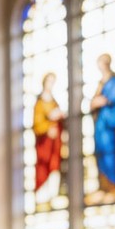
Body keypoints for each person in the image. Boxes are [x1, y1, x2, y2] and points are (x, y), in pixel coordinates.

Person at [90, 53, 115, 193]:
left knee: (109, 153)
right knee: (101, 152)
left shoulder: (114, 81)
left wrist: (102, 101)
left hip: (109, 123)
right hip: (100, 124)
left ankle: (113, 184)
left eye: (101, 63)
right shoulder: (101, 83)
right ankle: (104, 186)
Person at [32, 71, 65, 200]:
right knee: (43, 165)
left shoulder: (54, 102)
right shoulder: (39, 103)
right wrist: (47, 128)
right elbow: (37, 123)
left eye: (53, 82)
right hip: (44, 142)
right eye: (49, 81)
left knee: (54, 165)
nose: (51, 84)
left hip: (55, 142)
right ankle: (42, 195)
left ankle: (53, 194)